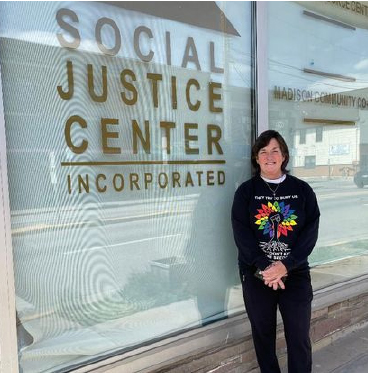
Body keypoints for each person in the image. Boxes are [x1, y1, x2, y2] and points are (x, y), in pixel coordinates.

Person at [231, 130, 320, 373]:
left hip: (295, 273)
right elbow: (241, 234)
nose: (269, 156)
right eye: (263, 151)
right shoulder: (246, 192)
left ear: (284, 156)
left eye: (275, 150)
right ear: (256, 158)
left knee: (299, 335)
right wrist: (266, 266)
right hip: (257, 274)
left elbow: (310, 233)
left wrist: (286, 265)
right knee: (263, 336)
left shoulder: (302, 190)